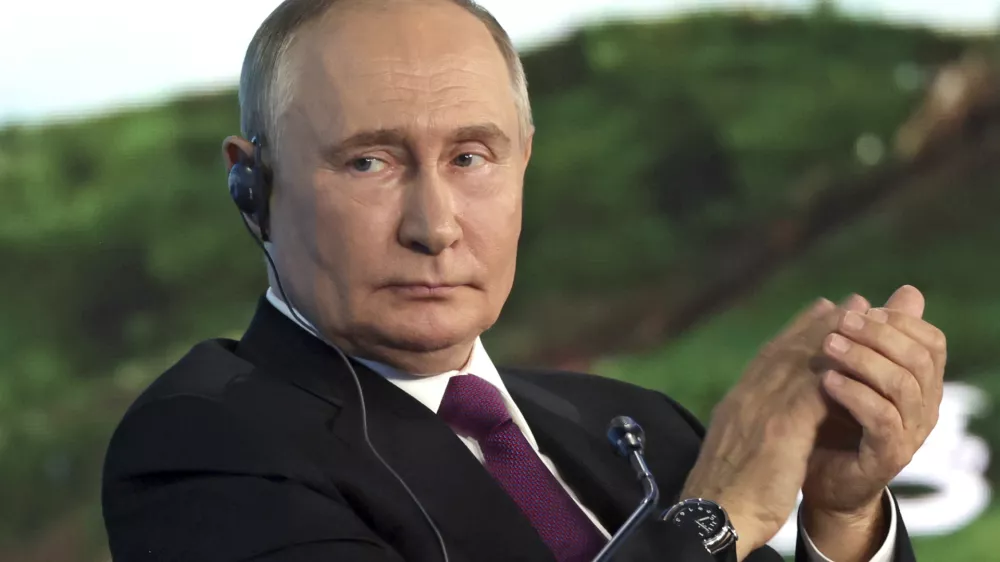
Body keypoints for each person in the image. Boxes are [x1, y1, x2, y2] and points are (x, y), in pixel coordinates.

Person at [101, 1, 946, 561]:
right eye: (369, 161)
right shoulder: (201, 445)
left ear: (524, 165)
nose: (433, 226)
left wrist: (842, 520)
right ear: (253, 186)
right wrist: (711, 520)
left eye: (471, 157)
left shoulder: (638, 424)